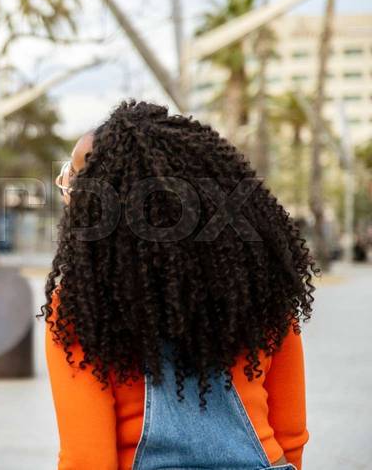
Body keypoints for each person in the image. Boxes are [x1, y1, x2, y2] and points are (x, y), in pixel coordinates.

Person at [44, 101, 314, 470]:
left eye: (74, 178)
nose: (66, 189)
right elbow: (291, 427)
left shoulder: (81, 304)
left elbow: (87, 458)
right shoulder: (256, 281)